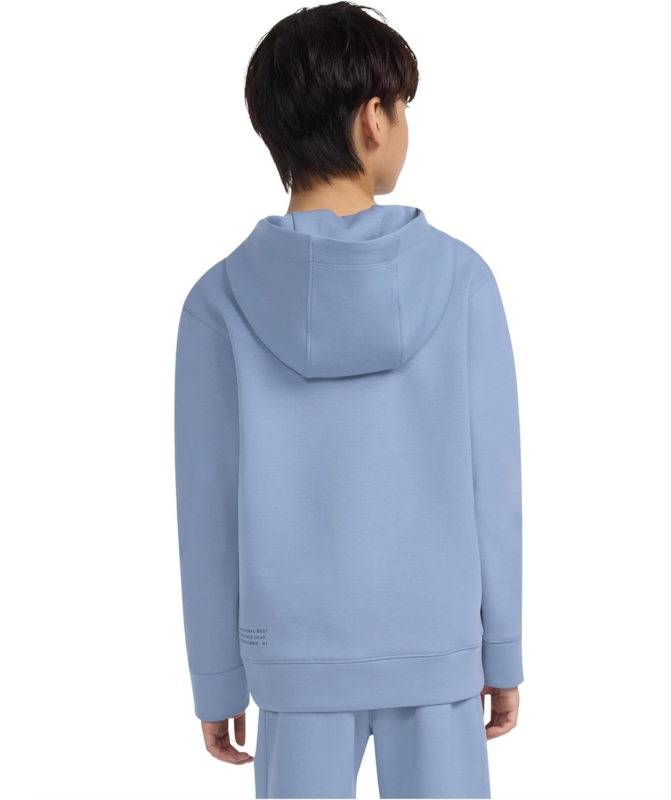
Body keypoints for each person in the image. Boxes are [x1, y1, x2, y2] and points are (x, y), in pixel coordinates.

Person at [174, 3, 523, 797]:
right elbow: (494, 488)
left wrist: (216, 677)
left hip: (292, 661)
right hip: (435, 648)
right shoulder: (462, 281)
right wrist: (501, 648)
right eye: (403, 110)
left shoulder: (217, 303)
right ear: (373, 120)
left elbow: (207, 506)